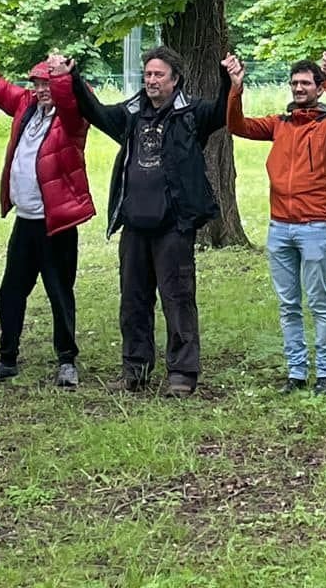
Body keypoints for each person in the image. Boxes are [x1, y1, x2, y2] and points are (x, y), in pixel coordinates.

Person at [73, 47, 230, 396]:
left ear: (175, 80)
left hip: (174, 224)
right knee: (133, 300)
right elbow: (95, 112)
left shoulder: (191, 114)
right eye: (148, 74)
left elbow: (223, 112)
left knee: (177, 298)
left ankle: (182, 374)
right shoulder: (131, 113)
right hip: (134, 225)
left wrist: (228, 80)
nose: (152, 80)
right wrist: (72, 79)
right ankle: (135, 369)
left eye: (159, 75)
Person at [225, 50, 326, 394]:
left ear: (317, 89)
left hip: (315, 226)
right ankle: (296, 374)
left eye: (306, 83)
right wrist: (236, 87)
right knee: (288, 305)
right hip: (279, 227)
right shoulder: (279, 124)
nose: (299, 88)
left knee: (318, 302)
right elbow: (237, 126)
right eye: (295, 83)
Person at [0, 44, 93, 390]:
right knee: (11, 292)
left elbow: (71, 99)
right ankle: (7, 358)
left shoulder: (73, 115)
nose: (41, 90)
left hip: (57, 223)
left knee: (59, 292)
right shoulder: (27, 107)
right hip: (26, 222)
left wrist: (63, 75)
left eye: (47, 84)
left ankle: (67, 360)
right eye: (37, 84)